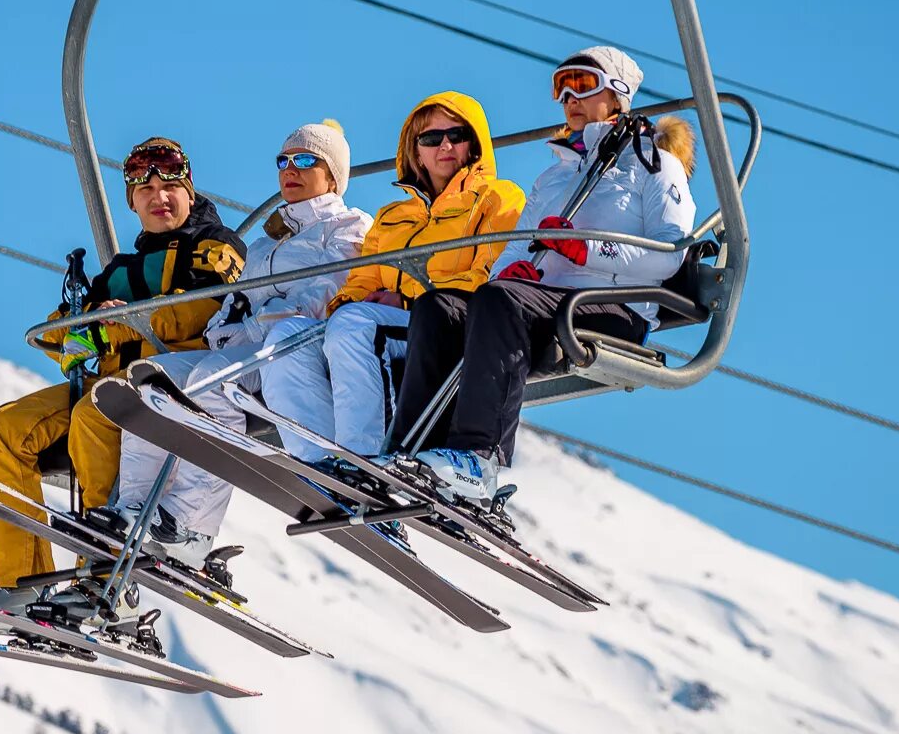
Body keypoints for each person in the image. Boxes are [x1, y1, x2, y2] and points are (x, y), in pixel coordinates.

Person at [385, 46, 697, 503]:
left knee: (501, 301)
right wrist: (508, 267)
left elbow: (670, 252)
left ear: (619, 94)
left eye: (584, 84)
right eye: (561, 87)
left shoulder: (654, 165)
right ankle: (409, 453)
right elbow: (520, 242)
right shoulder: (556, 174)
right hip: (542, 300)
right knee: (439, 308)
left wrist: (587, 247)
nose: (570, 96)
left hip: (607, 306)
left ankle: (478, 458)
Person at [0, 137, 245, 591]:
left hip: (170, 378)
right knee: (4, 428)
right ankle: (22, 581)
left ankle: (105, 572)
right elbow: (59, 326)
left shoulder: (215, 247)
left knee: (94, 414)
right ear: (132, 202)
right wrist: (74, 329)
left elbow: (201, 309)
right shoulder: (121, 268)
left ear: (190, 191)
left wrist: (112, 326)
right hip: (105, 377)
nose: (158, 198)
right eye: (145, 191)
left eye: (170, 188)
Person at [108, 120, 371, 571]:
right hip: (254, 349)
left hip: (303, 348)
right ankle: (132, 510)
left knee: (213, 383)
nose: (291, 169)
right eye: (284, 161)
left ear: (332, 176)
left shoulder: (347, 226)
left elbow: (330, 290)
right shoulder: (266, 242)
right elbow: (233, 306)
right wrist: (230, 330)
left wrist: (255, 324)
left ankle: (190, 526)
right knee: (152, 378)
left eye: (306, 160)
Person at [260, 90, 525, 465]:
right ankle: (319, 460)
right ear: (415, 151)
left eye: (456, 135)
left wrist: (403, 301)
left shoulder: (497, 199)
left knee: (354, 326)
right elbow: (362, 279)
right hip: (388, 322)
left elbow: (492, 273)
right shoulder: (393, 216)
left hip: (450, 323)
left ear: (474, 145)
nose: (444, 146)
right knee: (287, 337)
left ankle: (364, 459)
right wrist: (350, 303)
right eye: (431, 138)